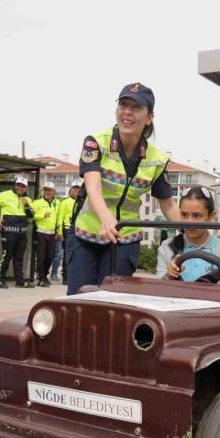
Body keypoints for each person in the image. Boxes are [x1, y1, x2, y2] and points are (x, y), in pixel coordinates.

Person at [64, 83, 180, 295]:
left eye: (136, 107)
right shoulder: (95, 143)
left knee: (113, 304)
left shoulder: (158, 159)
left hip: (125, 241)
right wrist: (107, 218)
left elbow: (169, 205)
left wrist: (192, 232)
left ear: (149, 117)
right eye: (123, 105)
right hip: (86, 236)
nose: (127, 112)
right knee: (80, 302)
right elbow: (93, 188)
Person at [157, 186, 220, 283]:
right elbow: (159, 289)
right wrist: (169, 275)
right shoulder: (167, 248)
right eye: (184, 215)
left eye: (197, 216)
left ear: (211, 216)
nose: (190, 222)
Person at [0, 176, 34, 289]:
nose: (20, 187)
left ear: (26, 188)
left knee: (19, 257)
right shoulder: (4, 194)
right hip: (8, 232)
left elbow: (32, 215)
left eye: (22, 186)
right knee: (7, 255)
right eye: (18, 185)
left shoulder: (28, 199)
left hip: (22, 233)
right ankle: (0, 280)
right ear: (15, 185)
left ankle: (20, 282)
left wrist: (26, 206)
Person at [32, 181, 59, 287]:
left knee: (50, 256)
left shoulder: (57, 203)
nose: (47, 192)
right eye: (45, 190)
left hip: (52, 233)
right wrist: (43, 215)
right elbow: (31, 215)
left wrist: (58, 223)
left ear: (54, 192)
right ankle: (41, 278)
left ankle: (45, 276)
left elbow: (58, 216)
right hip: (40, 232)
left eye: (49, 190)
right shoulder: (37, 202)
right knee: (41, 257)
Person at [56, 179, 82, 285]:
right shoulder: (65, 202)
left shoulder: (83, 201)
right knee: (68, 254)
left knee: (79, 255)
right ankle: (65, 277)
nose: (76, 190)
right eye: (74, 188)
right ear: (71, 189)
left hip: (80, 230)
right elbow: (60, 217)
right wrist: (59, 232)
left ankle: (76, 277)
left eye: (78, 188)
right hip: (67, 230)